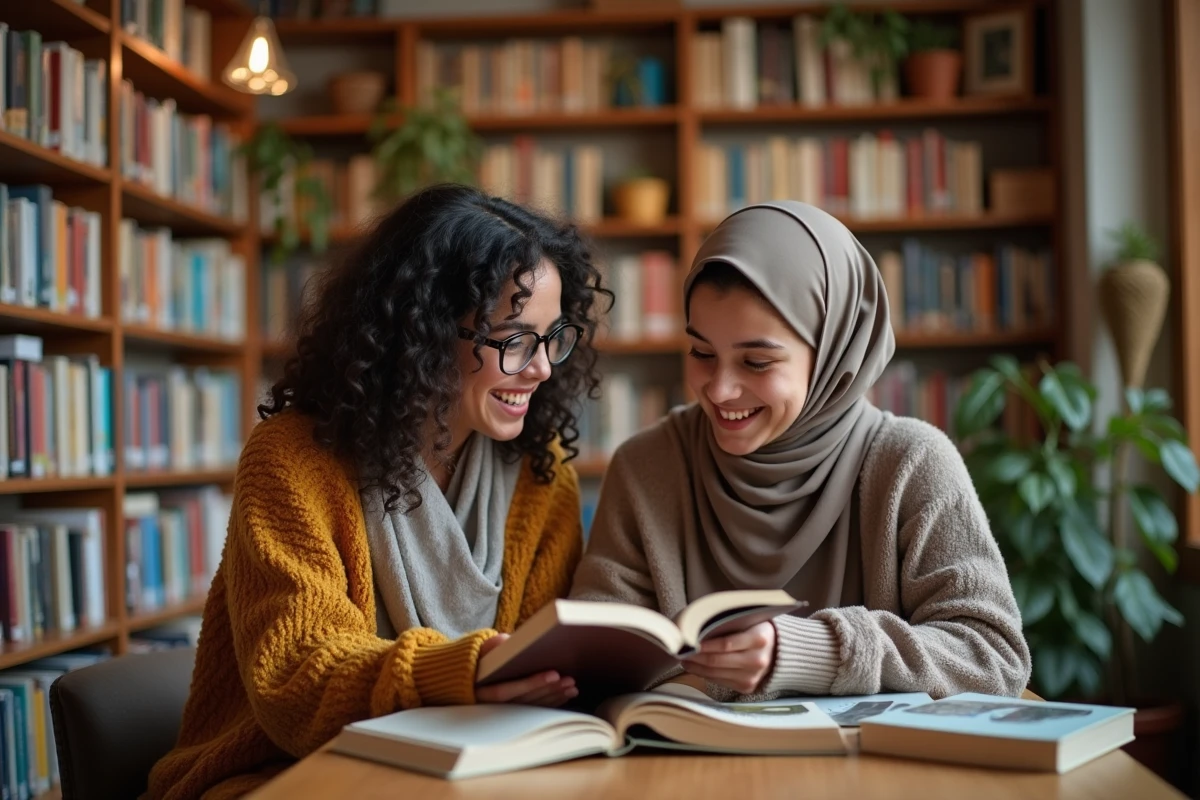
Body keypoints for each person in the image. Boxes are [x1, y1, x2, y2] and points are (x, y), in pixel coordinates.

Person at [147, 184, 607, 799]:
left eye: (552, 337)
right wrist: (455, 673)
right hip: (282, 775)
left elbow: (540, 674)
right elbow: (296, 676)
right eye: (514, 339)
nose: (542, 368)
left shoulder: (541, 472)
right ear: (424, 332)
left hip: (475, 773)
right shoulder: (292, 460)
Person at [571, 200, 1031, 702]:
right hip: (690, 774)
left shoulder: (912, 463)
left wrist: (810, 651)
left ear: (835, 353)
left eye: (757, 362)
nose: (720, 390)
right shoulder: (646, 467)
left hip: (874, 778)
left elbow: (993, 656)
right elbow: (597, 663)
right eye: (702, 354)